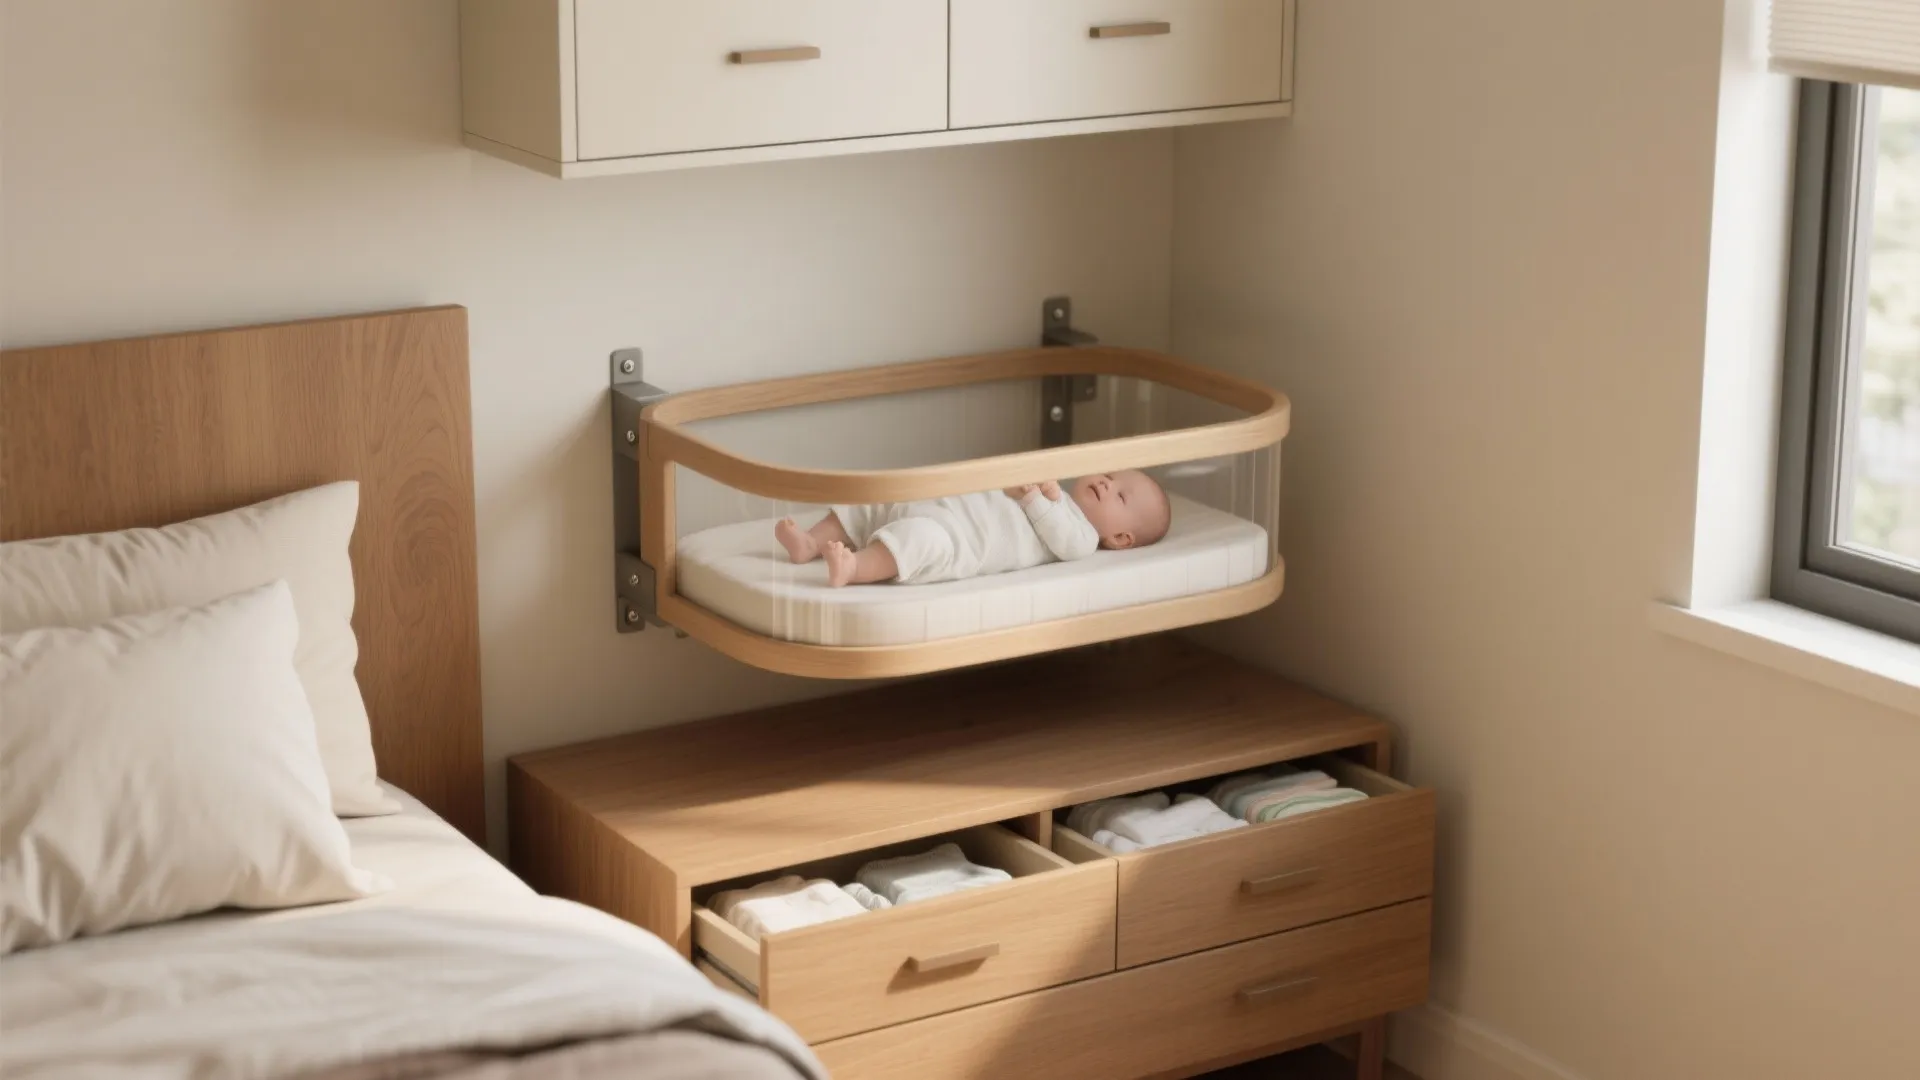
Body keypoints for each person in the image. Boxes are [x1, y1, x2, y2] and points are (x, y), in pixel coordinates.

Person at [773, 470, 1172, 587]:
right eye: (1110, 474)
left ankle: (855, 568)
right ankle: (811, 542)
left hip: (956, 538)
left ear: (1121, 539)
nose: (1106, 482)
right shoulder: (1054, 487)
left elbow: (1064, 542)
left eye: (1120, 496)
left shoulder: (1081, 535)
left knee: (918, 541)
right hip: (938, 502)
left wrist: (1034, 497)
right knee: (870, 502)